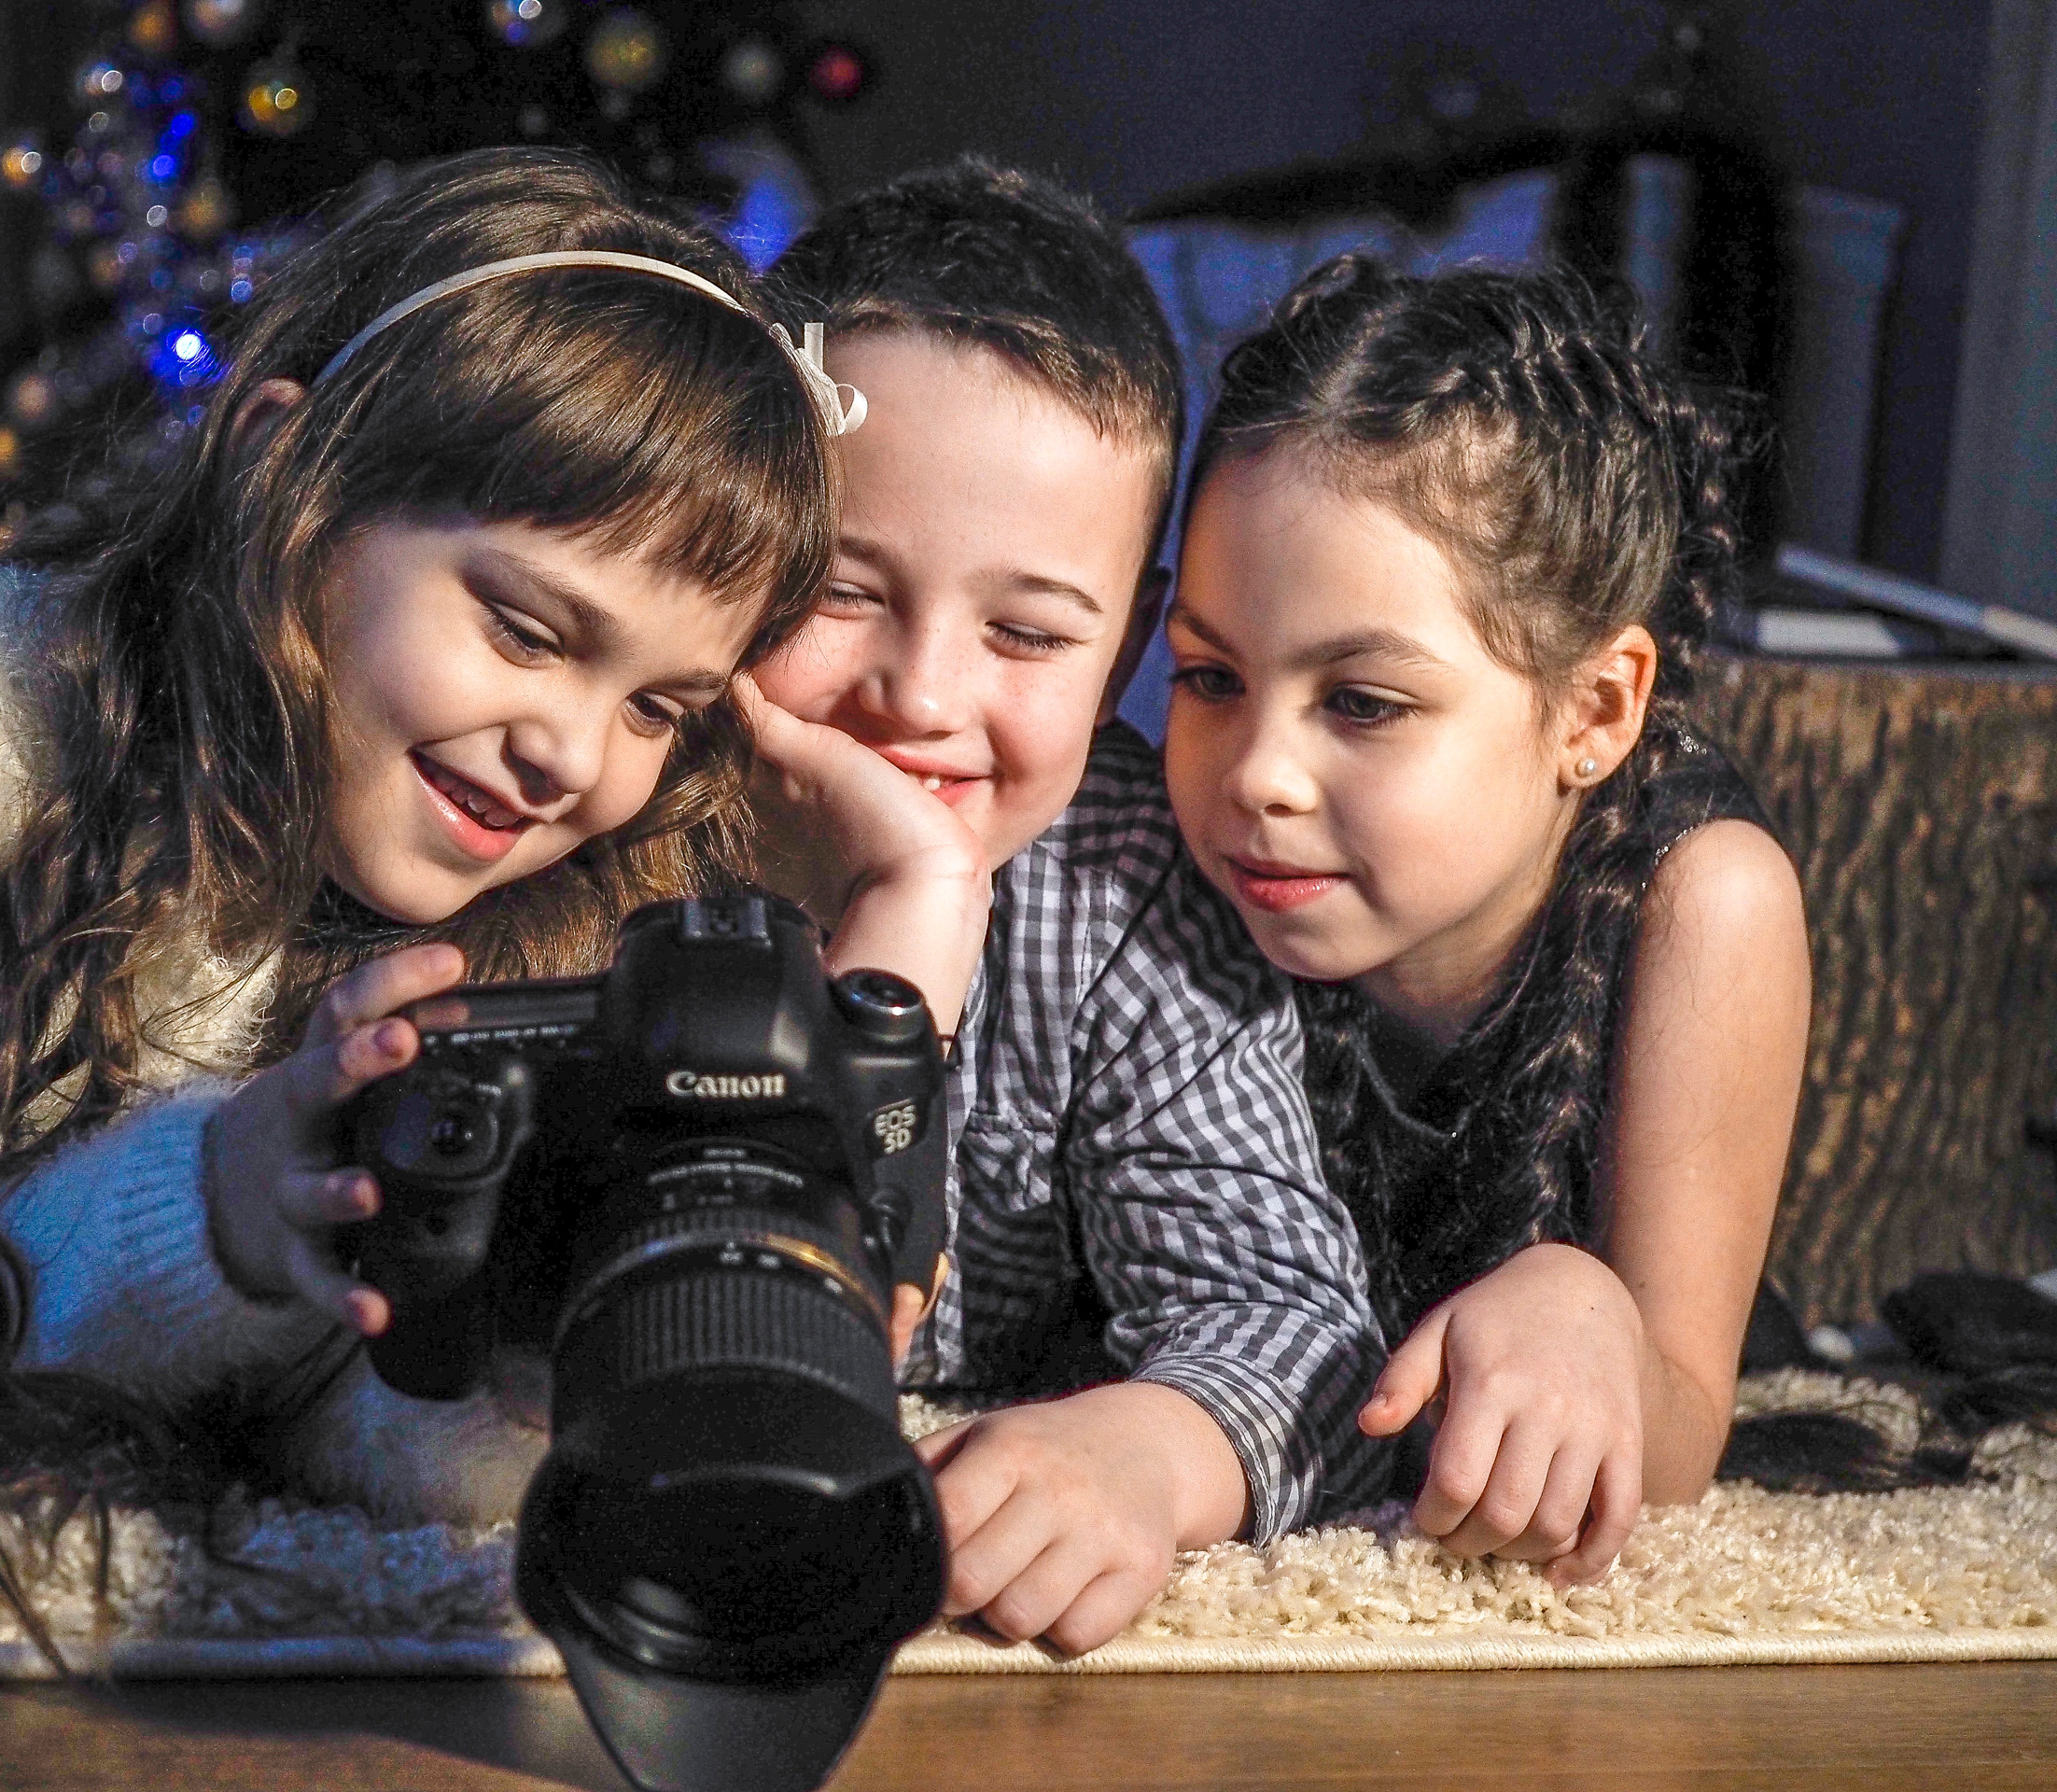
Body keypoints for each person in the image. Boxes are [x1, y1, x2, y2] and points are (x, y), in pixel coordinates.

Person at [0, 149, 865, 1581]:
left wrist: (539, 1391)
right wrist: (218, 1207)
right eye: (529, 632)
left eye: (658, 708)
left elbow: (314, 1416)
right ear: (281, 470)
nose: (574, 755)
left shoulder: (583, 899)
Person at [746, 161, 1386, 1657]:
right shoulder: (611, 801)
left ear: (1131, 647)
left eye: (1026, 631)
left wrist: (1149, 1457)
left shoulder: (1127, 885)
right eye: (839, 591)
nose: (922, 696)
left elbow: (1293, 1324)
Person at [1163, 257, 1811, 1584]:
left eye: (1363, 703)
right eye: (1210, 675)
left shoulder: (1706, 901)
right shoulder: (1153, 865)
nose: (1256, 776)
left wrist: (1587, 1306)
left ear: (1593, 713)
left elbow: (1681, 1426)